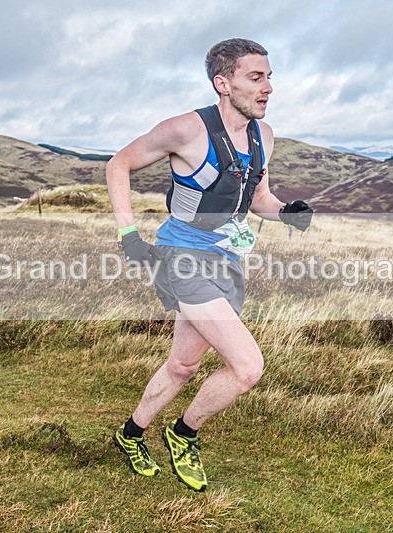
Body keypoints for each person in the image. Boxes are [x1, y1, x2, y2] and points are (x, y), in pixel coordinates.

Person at [105, 38, 314, 492]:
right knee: (247, 367)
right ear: (223, 83)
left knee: (183, 366)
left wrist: (287, 212)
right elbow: (119, 164)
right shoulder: (185, 130)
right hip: (182, 258)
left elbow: (258, 199)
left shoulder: (263, 136)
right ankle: (184, 434)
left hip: (227, 260)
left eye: (269, 77)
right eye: (255, 77)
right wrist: (128, 235)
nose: (268, 87)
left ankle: (130, 434)